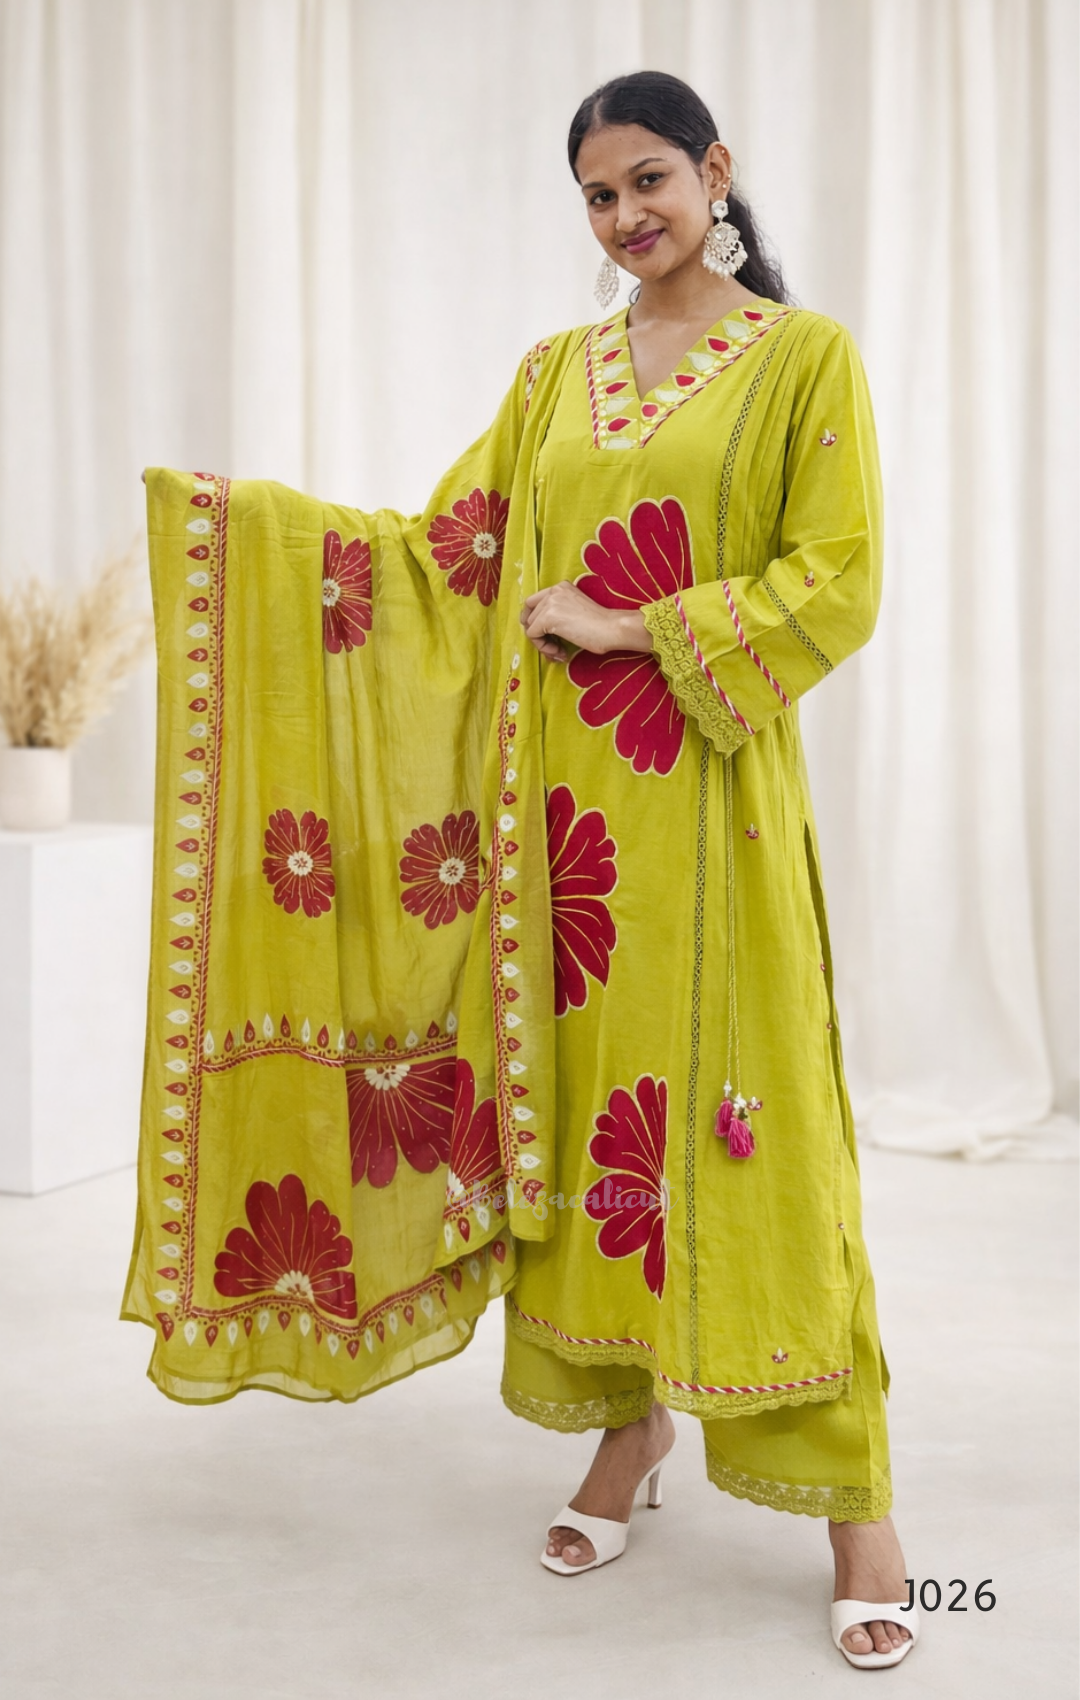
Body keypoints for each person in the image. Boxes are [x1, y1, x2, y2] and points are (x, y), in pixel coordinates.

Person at [126, 71, 918, 1672]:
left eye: (649, 182)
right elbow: (449, 560)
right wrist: (253, 535)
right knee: (578, 1121)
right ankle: (629, 1437)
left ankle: (858, 1500)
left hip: (712, 813)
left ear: (716, 171)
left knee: (761, 1139)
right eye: (597, 198)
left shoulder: (802, 360)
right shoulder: (554, 374)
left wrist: (636, 627)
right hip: (562, 846)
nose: (629, 220)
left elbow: (839, 579)